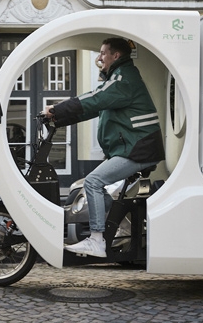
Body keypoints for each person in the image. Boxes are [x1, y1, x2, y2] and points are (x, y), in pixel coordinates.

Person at [44, 37, 164, 258]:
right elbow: (92, 109)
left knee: (93, 181)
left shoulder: (123, 79)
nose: (99, 58)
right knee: (98, 190)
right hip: (133, 147)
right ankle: (117, 224)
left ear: (115, 55)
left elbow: (95, 99)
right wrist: (56, 120)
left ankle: (97, 241)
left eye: (102, 53)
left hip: (138, 148)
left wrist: (58, 108)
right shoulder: (118, 79)